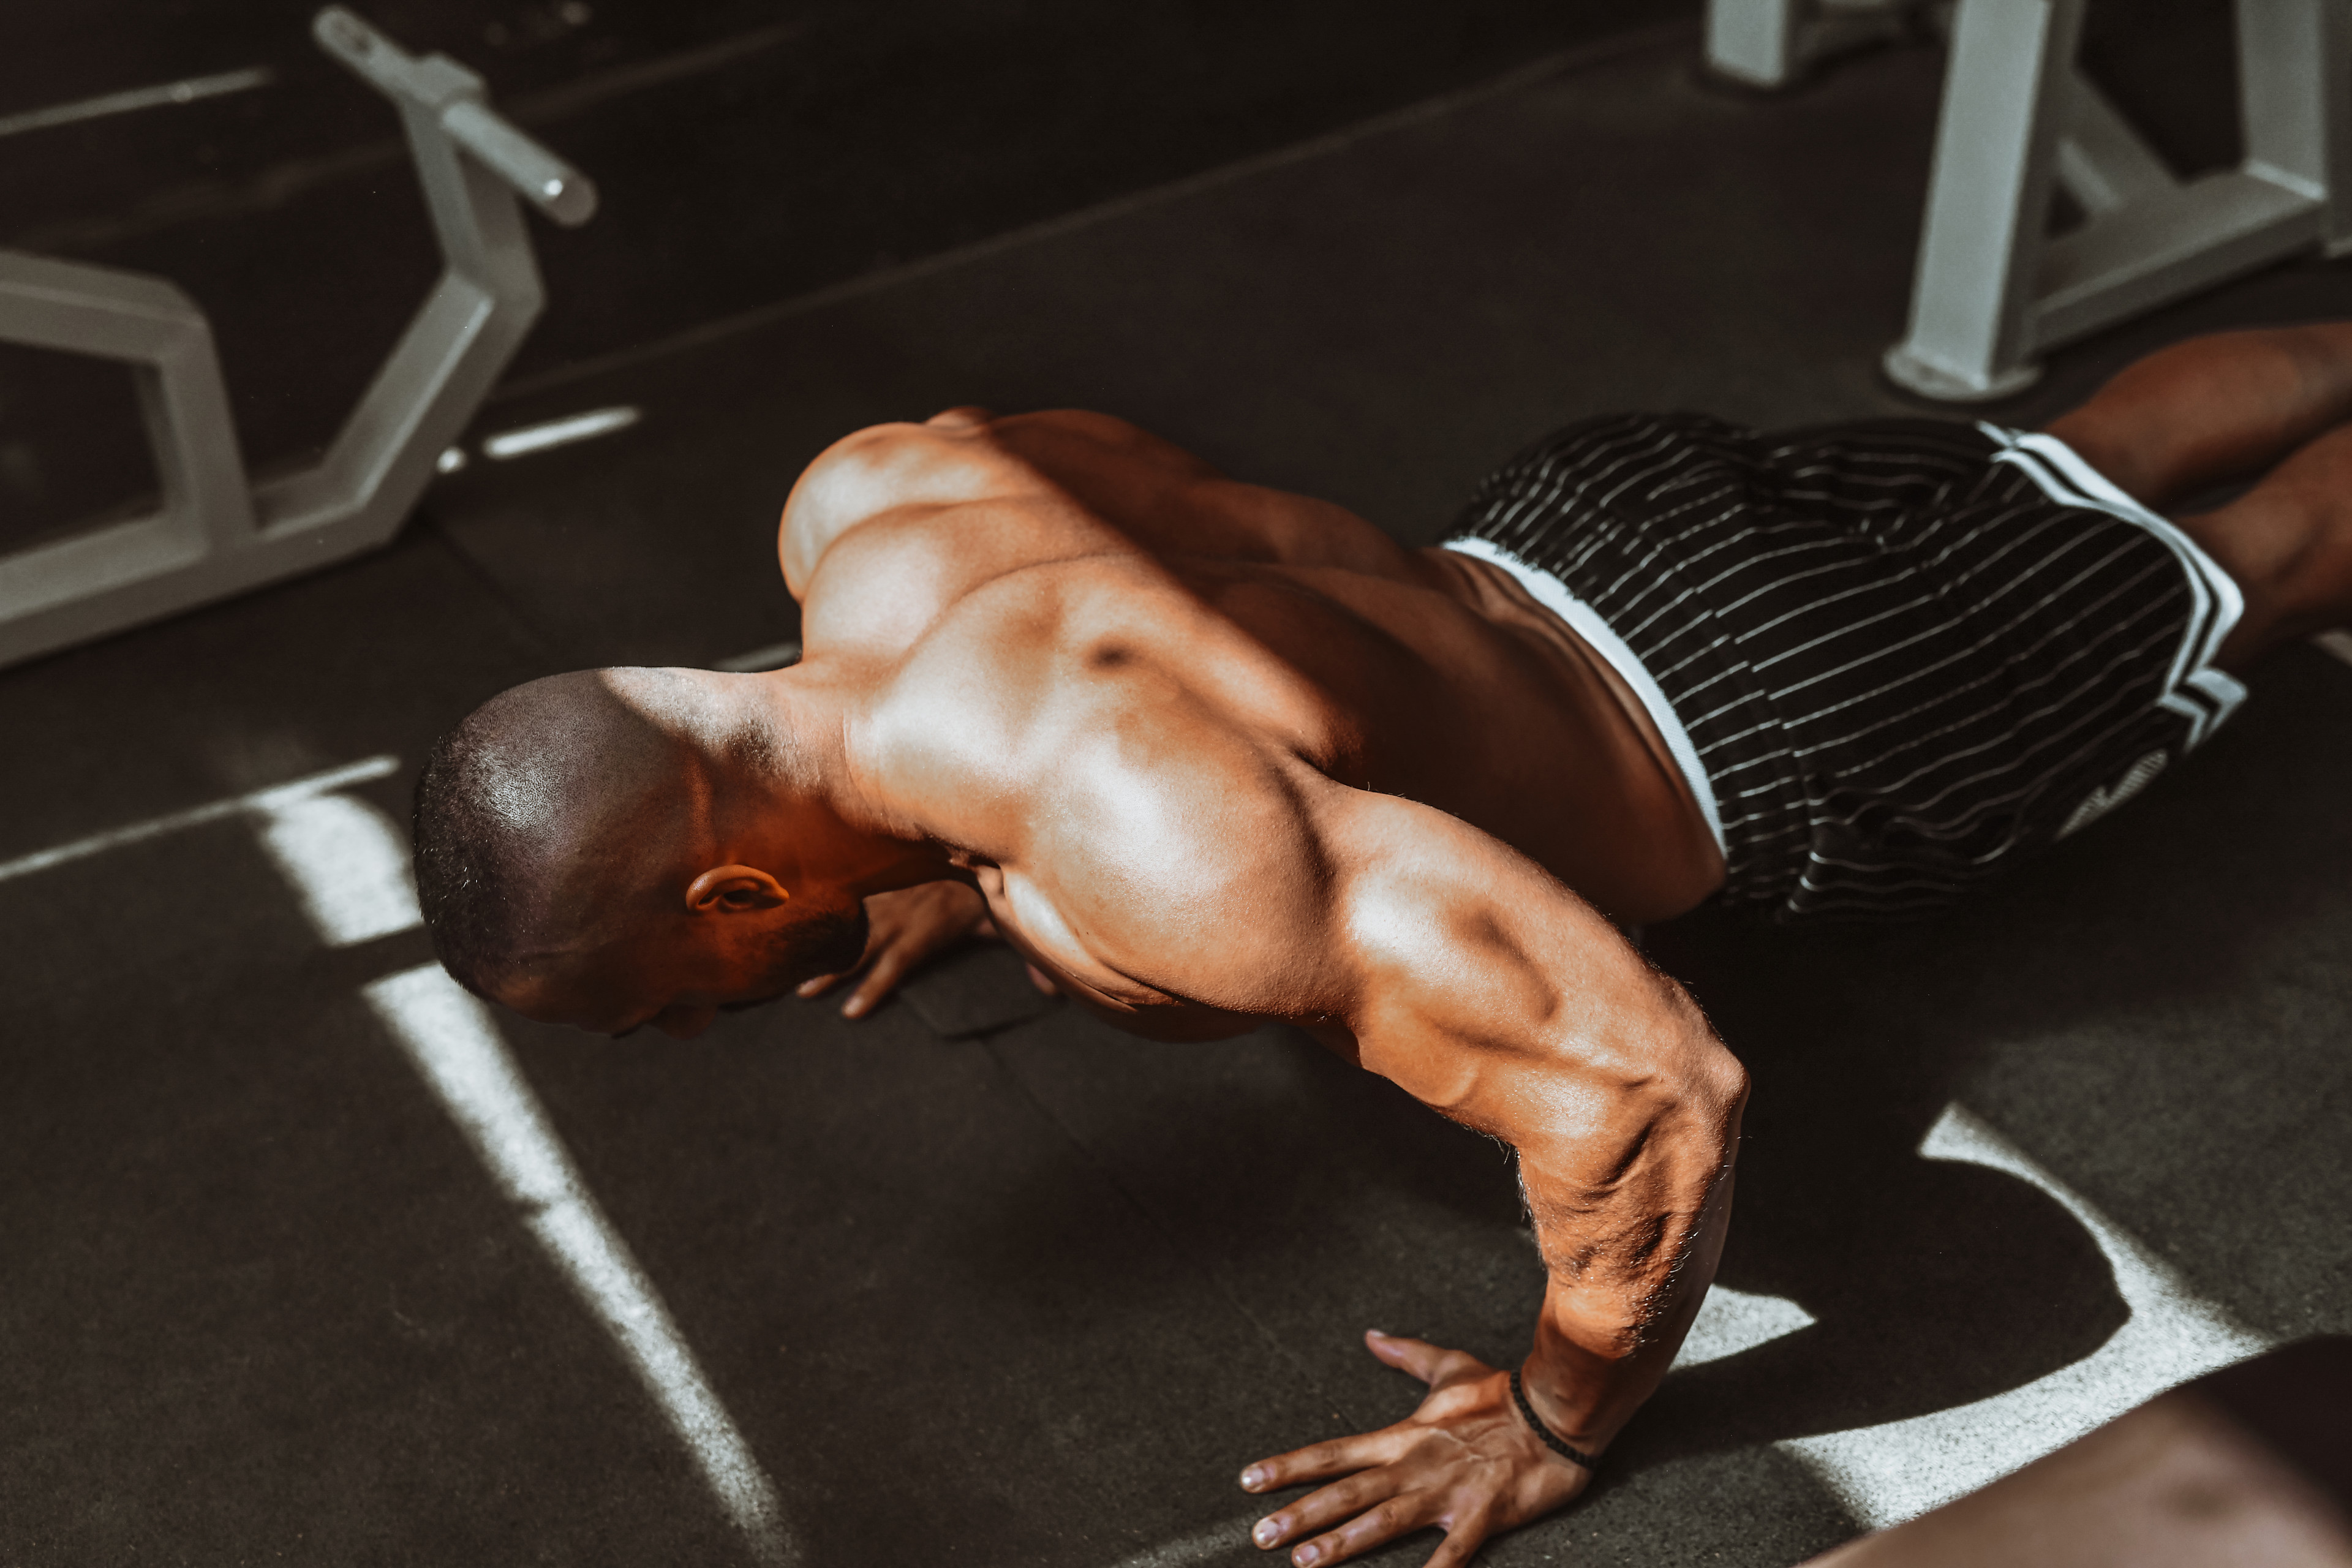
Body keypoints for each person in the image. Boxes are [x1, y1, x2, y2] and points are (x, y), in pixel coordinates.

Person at [410, 323, 2352, 1567]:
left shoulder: (1139, 845)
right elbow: (1121, 634)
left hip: (1783, 725)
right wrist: (924, 858)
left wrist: (1547, 1420)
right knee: (2064, 460)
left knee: (2266, 566)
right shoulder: (864, 505)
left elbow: (1650, 1092)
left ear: (734, 893)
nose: (675, 1041)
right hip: (1599, 528)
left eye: (657, 1010)